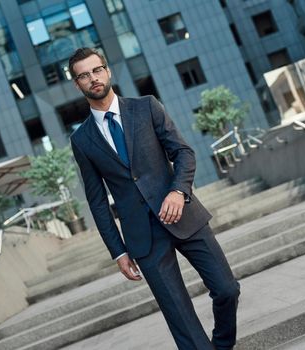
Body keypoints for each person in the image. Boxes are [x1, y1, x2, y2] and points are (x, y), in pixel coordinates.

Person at [69, 47, 240, 350]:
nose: (92, 78)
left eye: (96, 70)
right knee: (180, 317)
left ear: (107, 71)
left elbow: (183, 152)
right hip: (143, 237)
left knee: (226, 289)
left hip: (183, 215)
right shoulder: (81, 140)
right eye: (84, 75)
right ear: (77, 85)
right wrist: (118, 252)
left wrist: (178, 191)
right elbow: (97, 201)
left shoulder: (146, 107)